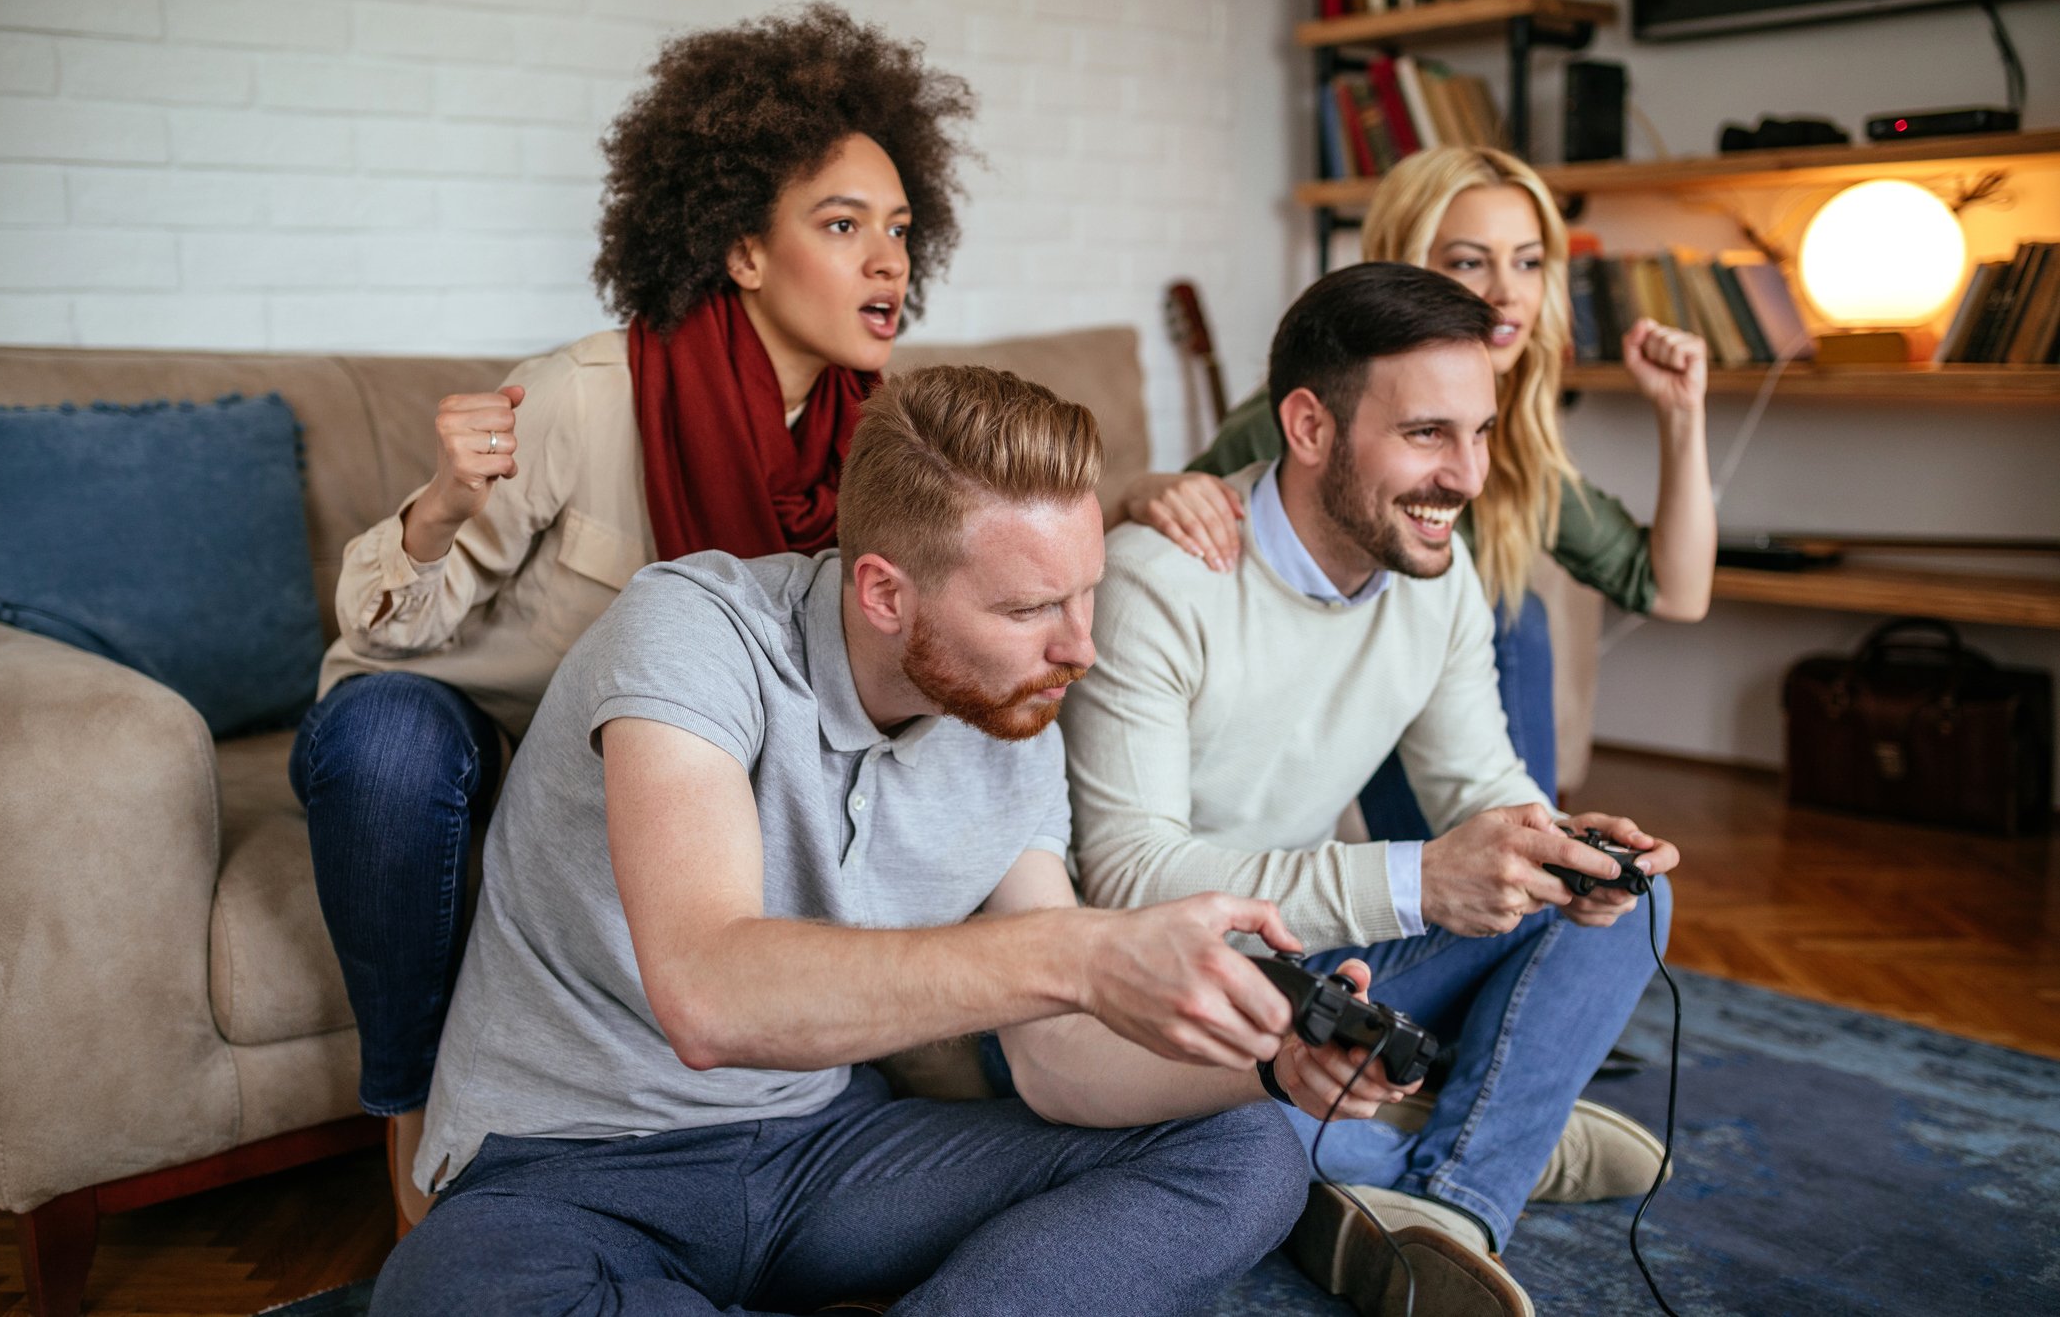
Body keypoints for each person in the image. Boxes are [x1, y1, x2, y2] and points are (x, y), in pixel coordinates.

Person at [372, 366, 1400, 1316]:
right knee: (451, 1293)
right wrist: (1084, 955)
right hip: (571, 1168)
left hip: (826, 1153)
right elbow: (707, 992)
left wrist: (1267, 1062)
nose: (1079, 647)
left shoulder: (1014, 712)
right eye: (1033, 606)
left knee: (1250, 1150)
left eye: (1085, 593)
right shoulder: (691, 632)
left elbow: (1056, 1063)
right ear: (882, 592)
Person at [288, 4, 976, 1222]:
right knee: (385, 739)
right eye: (841, 224)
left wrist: (1148, 498)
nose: (888, 260)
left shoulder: (885, 439)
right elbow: (393, 627)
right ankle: (410, 1126)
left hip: (658, 762)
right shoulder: (584, 394)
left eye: (898, 229)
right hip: (481, 733)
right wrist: (445, 500)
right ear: (743, 250)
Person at [1064, 263, 1682, 1317]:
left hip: (1320, 972)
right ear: (1309, 426)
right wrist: (1417, 879)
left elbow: (1480, 783)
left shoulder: (1433, 581)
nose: (1468, 475)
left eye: (1481, 434)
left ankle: (1450, 1193)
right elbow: (1129, 877)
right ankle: (1494, 1134)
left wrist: (1558, 845)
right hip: (1161, 992)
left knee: (1634, 899)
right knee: (1207, 1138)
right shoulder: (1157, 584)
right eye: (1428, 435)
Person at [1122, 145, 1714, 841]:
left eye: (1527, 262)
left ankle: (1529, 863)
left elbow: (1674, 592)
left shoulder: (1516, 439)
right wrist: (1140, 490)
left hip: (1433, 713)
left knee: (1506, 622)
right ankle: (1490, 884)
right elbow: (1190, 521)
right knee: (1512, 617)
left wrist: (1681, 415)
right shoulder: (1305, 424)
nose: (1506, 292)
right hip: (1333, 701)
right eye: (1468, 262)